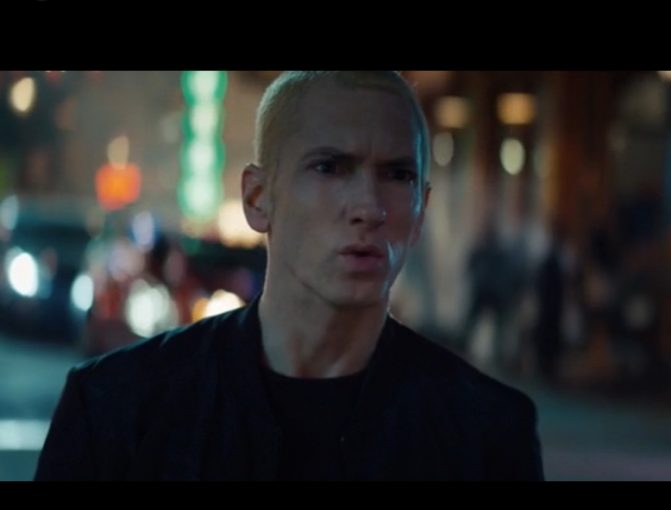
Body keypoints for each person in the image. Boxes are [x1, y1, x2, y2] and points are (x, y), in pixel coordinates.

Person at [35, 71, 544, 481]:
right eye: (330, 168)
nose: (369, 207)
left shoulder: (486, 432)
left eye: (398, 175)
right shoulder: (116, 408)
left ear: (420, 211)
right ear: (258, 198)